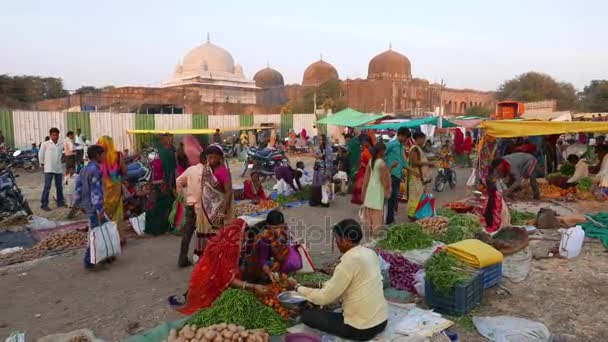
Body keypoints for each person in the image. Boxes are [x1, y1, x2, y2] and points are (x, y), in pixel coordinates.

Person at [290, 219, 388, 341]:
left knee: (308, 316)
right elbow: (344, 283)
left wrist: (297, 287)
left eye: (336, 238)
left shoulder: (347, 263)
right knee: (332, 309)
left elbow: (324, 298)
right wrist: (318, 285)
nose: (336, 242)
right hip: (382, 320)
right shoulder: (370, 253)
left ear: (345, 240)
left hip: (361, 329)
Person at [170, 218, 269, 315]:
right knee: (225, 303)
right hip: (211, 278)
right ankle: (193, 296)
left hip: (211, 267)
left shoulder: (239, 229)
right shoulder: (232, 244)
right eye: (257, 238)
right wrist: (253, 286)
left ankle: (190, 294)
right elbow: (229, 278)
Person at [72, 145, 109, 269]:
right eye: (103, 154)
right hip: (94, 206)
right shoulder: (96, 170)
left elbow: (78, 188)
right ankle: (90, 260)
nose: (105, 156)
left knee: (99, 230)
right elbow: (96, 192)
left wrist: (77, 204)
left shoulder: (84, 169)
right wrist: (100, 209)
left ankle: (106, 256)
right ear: (97, 155)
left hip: (87, 204)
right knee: (95, 233)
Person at [244, 210, 303, 283]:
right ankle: (266, 277)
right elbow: (262, 260)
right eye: (274, 228)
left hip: (273, 256)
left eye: (280, 227)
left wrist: (295, 243)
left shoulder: (284, 230)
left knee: (293, 257)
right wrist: (268, 272)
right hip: (261, 261)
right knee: (272, 271)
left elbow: (287, 242)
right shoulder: (264, 238)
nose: (278, 231)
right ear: (268, 226)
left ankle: (279, 270)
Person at [198, 144, 234, 251]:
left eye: (214, 157)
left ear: (220, 157)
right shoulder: (206, 170)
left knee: (219, 233)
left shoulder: (222, 171)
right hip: (206, 206)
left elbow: (228, 192)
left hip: (220, 207)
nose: (211, 159)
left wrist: (223, 211)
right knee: (206, 231)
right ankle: (206, 254)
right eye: (209, 157)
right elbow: (203, 187)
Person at [176, 151, 206, 267]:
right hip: (202, 206)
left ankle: (182, 259)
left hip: (190, 205)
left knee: (188, 233)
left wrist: (182, 198)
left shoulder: (191, 169)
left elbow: (178, 181)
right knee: (202, 232)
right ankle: (201, 258)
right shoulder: (208, 171)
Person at [97, 136, 128, 243]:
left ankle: (105, 239)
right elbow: (124, 171)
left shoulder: (97, 158)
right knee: (117, 213)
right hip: (115, 188)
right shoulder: (118, 155)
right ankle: (119, 238)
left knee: (103, 213)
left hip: (103, 188)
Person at [145, 134, 177, 235]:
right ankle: (160, 228)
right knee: (160, 205)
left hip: (163, 183)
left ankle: (161, 227)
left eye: (171, 137)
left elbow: (171, 167)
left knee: (162, 205)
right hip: (163, 183)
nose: (170, 139)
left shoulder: (168, 150)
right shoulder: (163, 151)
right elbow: (155, 168)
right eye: (167, 137)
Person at [362, 142, 391, 234]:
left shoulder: (371, 161)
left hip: (371, 187)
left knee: (371, 207)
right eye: (384, 150)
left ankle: (370, 228)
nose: (385, 152)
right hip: (378, 188)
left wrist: (364, 190)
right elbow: (384, 179)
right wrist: (387, 190)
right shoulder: (381, 163)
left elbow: (366, 177)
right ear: (381, 151)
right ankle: (376, 230)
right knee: (377, 208)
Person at [385, 127, 410, 224]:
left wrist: (409, 170)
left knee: (394, 199)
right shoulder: (391, 144)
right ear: (400, 135)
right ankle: (389, 220)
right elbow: (382, 154)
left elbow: (403, 162)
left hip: (398, 176)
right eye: (406, 138)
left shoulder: (401, 146)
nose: (406, 140)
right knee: (392, 199)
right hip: (391, 175)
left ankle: (390, 218)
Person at [408, 132, 434, 220]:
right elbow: (415, 162)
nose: (423, 141)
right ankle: (414, 215)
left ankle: (416, 214)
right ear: (418, 138)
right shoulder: (415, 148)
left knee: (418, 195)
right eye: (423, 139)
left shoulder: (417, 148)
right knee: (416, 196)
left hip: (417, 176)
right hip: (416, 176)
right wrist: (428, 163)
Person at [39, 127, 66, 211]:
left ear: (58, 135)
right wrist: (42, 164)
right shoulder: (45, 144)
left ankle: (60, 202)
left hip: (58, 168)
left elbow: (64, 153)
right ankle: (44, 204)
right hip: (48, 168)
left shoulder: (61, 144)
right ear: (50, 135)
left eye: (57, 135)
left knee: (59, 186)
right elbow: (41, 154)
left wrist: (63, 159)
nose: (55, 136)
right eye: (53, 135)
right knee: (47, 187)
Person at [310, 134, 333, 206]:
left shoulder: (325, 148)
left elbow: (319, 157)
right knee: (320, 184)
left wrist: (313, 153)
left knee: (323, 184)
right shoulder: (321, 148)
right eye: (319, 139)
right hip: (319, 167)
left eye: (321, 139)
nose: (320, 141)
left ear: (324, 141)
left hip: (323, 168)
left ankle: (324, 201)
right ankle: (322, 200)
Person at [351, 135, 372, 204]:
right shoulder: (365, 149)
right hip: (362, 170)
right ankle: (359, 199)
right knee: (358, 185)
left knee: (362, 185)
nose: (361, 144)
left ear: (367, 142)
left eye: (362, 142)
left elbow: (371, 163)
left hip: (366, 170)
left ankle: (362, 199)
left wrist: (364, 165)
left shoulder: (370, 150)